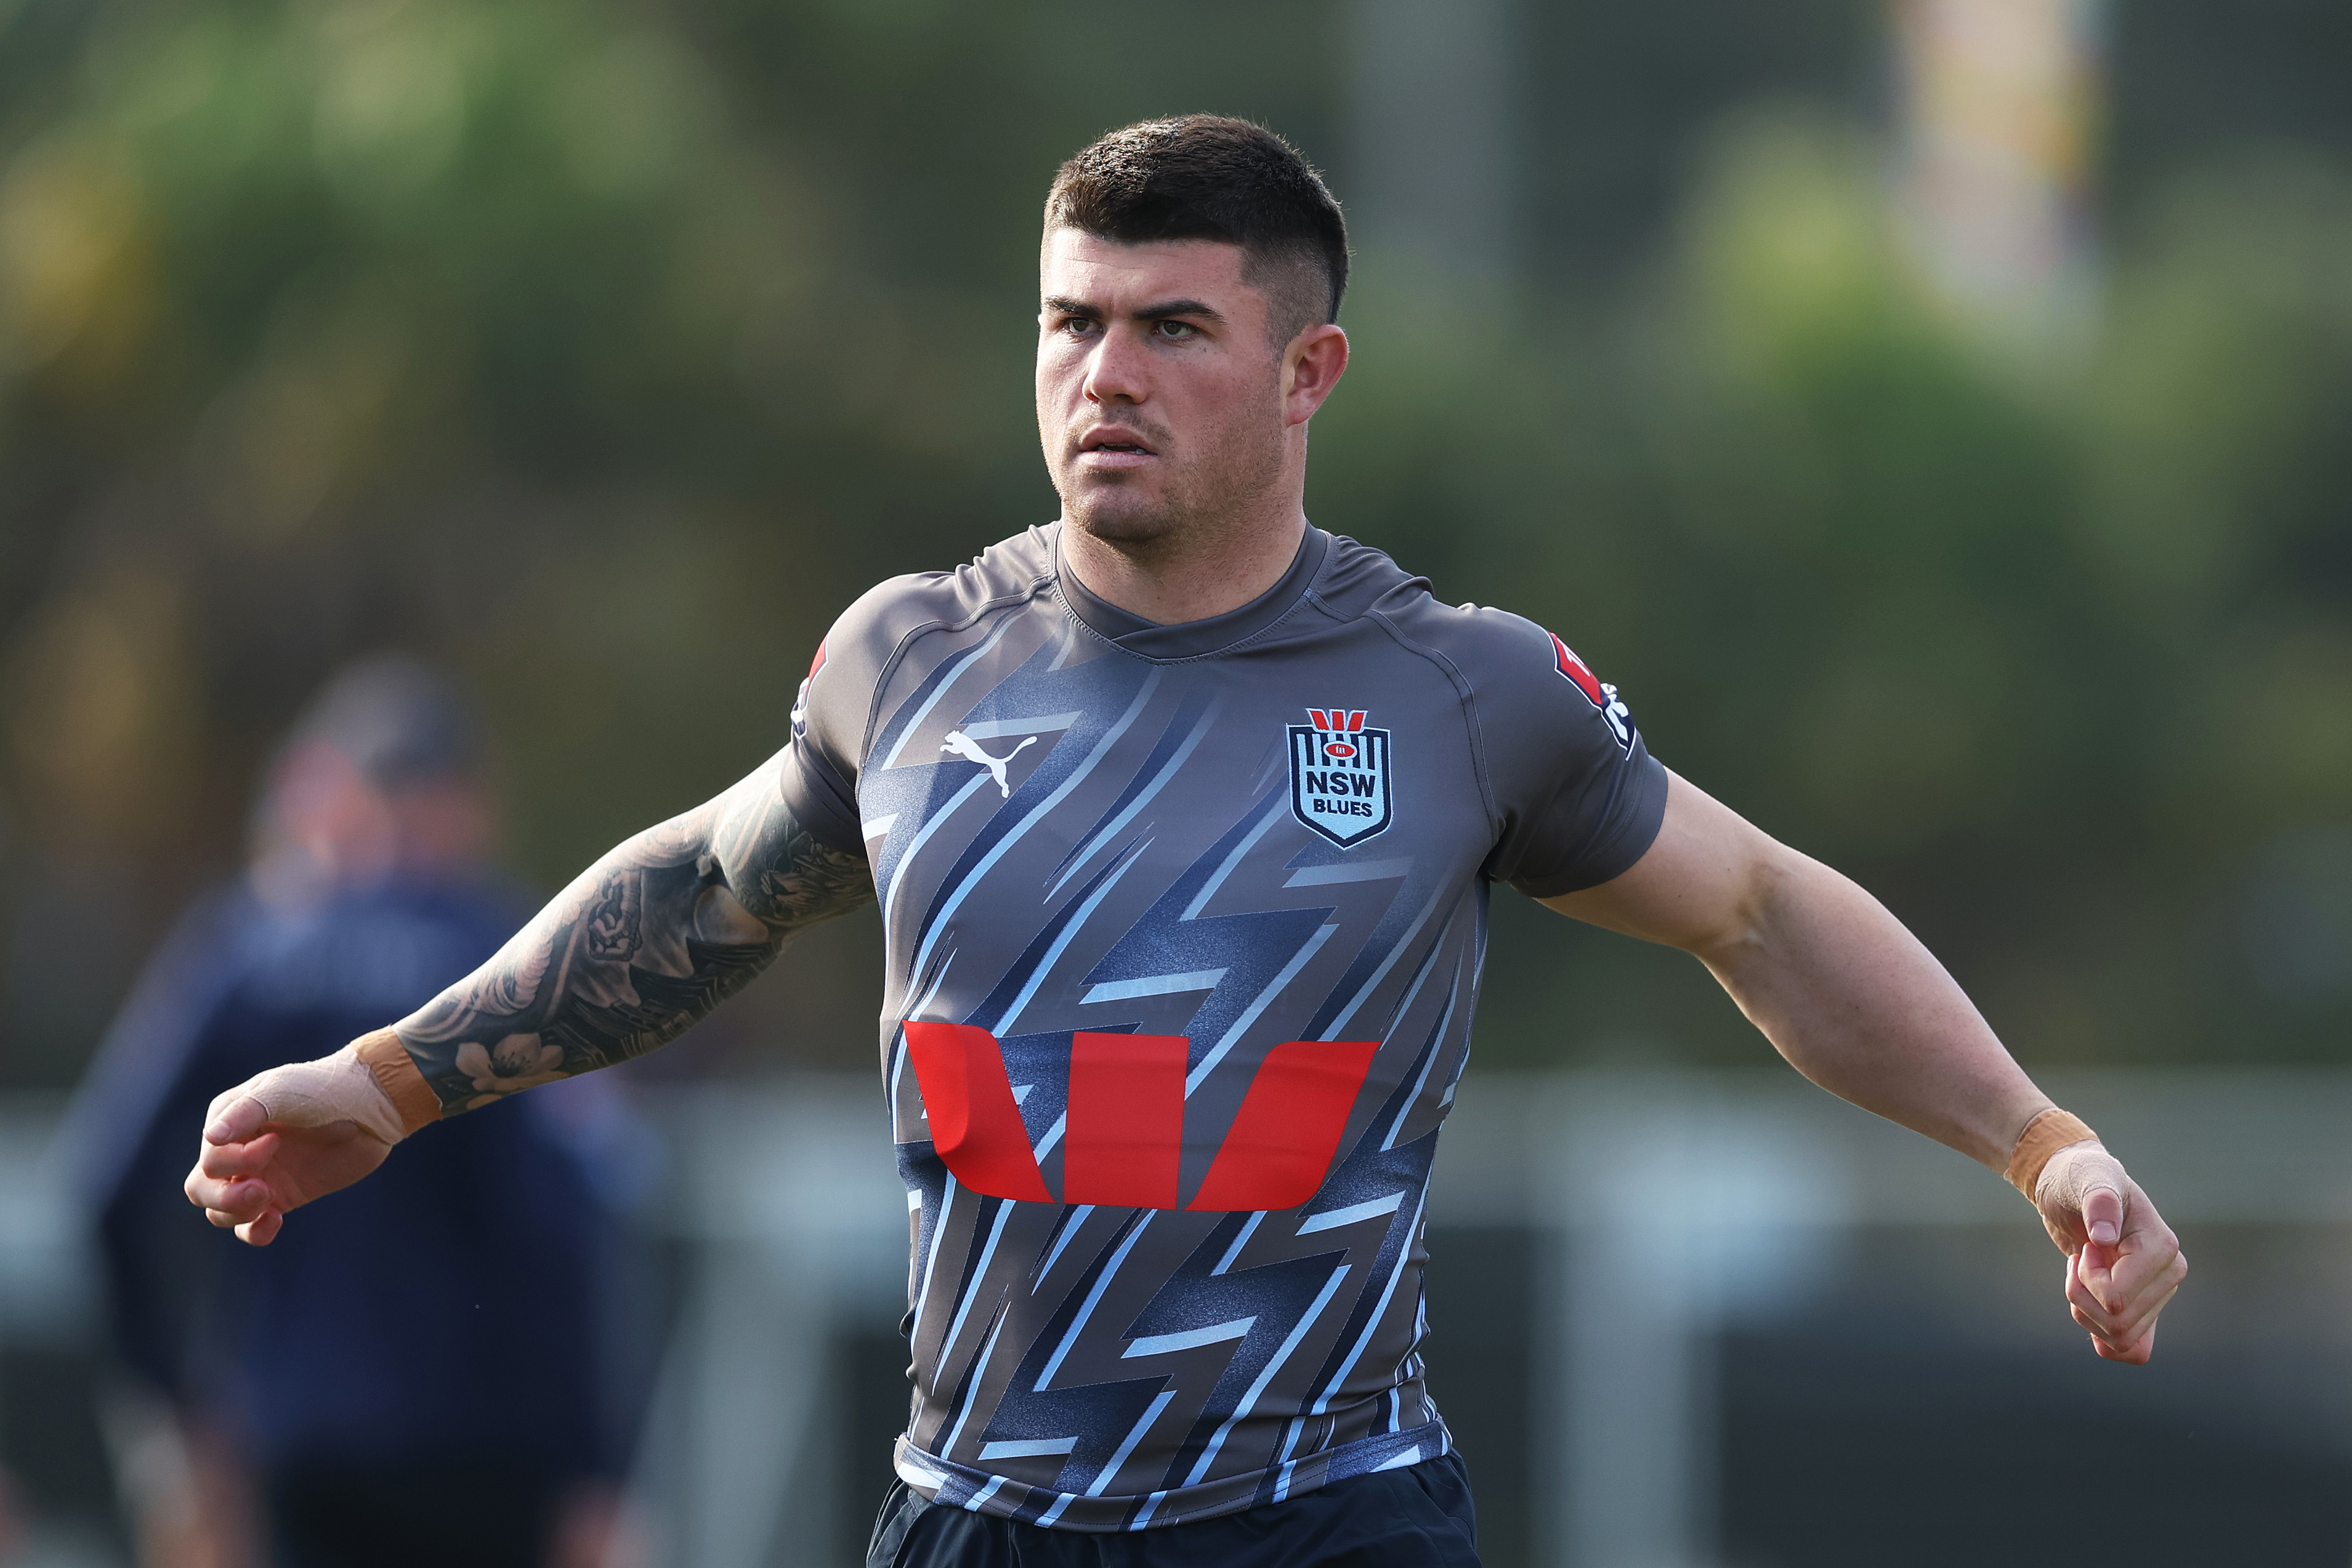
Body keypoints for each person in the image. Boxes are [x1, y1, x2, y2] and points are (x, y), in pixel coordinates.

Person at [183, 119, 2186, 1567]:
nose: (1104, 376)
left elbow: (1755, 907)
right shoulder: (909, 660)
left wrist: (2041, 1138)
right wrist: (387, 1079)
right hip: (979, 1516)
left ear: (1308, 371)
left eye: (1170, 328)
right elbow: (701, 894)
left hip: (1330, 1518)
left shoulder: (1459, 693)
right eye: (1070, 324)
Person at [72, 656, 643, 1568]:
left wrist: (174, 1421)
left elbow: (105, 1186)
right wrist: (601, 1473)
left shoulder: (247, 950)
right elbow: (568, 1227)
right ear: (463, 799)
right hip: (488, 1460)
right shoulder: (504, 958)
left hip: (301, 1450)